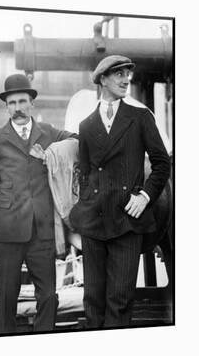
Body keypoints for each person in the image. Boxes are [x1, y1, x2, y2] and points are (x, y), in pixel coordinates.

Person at [69, 55, 171, 328]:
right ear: (103, 79)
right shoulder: (86, 125)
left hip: (127, 221)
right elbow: (87, 173)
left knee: (120, 300)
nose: (127, 79)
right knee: (93, 300)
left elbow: (162, 164)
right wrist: (86, 203)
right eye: (119, 74)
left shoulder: (140, 118)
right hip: (94, 223)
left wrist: (145, 196)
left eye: (128, 74)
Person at [0, 73, 76, 333]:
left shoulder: (49, 133)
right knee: (5, 299)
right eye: (12, 103)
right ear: (6, 107)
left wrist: (51, 155)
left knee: (48, 296)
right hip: (8, 230)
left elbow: (78, 142)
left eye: (22, 102)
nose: (18, 109)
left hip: (42, 230)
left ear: (31, 103)